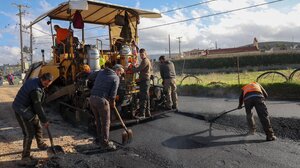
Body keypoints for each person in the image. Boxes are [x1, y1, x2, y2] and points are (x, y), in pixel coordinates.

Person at [12, 73, 53, 166]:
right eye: (46, 84)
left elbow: (36, 105)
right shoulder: (36, 90)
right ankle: (25, 157)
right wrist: (45, 120)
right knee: (28, 133)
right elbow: (37, 106)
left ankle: (40, 144)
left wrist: (42, 120)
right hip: (21, 109)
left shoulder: (36, 81)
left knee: (38, 126)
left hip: (28, 108)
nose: (47, 86)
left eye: (49, 84)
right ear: (42, 79)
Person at [90, 62, 124, 150]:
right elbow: (113, 94)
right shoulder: (115, 78)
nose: (120, 75)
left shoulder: (101, 72)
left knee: (98, 120)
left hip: (92, 98)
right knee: (105, 122)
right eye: (120, 73)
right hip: (101, 100)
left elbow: (91, 76)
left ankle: (98, 140)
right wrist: (113, 102)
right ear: (117, 71)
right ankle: (105, 144)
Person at [133, 48, 152, 118]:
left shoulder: (145, 61)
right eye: (140, 54)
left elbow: (139, 69)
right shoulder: (145, 60)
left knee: (143, 98)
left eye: (142, 54)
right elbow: (140, 69)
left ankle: (142, 114)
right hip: (145, 80)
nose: (141, 56)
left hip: (145, 81)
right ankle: (147, 113)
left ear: (145, 54)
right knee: (146, 97)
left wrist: (131, 69)